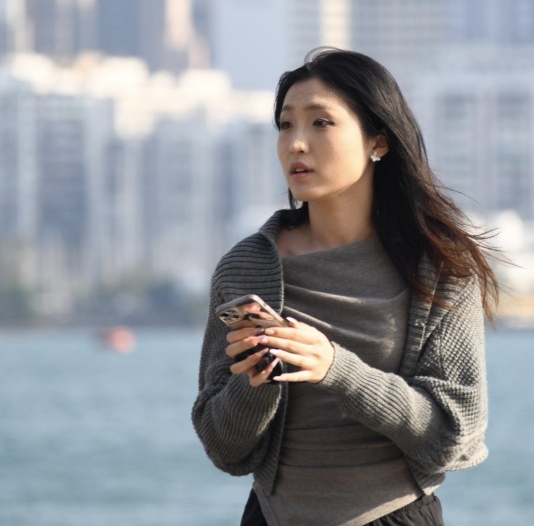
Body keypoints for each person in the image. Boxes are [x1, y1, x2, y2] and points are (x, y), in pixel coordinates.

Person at [192, 48, 500, 526]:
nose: (296, 143)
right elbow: (226, 450)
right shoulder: (245, 268)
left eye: (320, 123)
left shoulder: (439, 268)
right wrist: (254, 382)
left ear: (378, 140)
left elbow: (451, 437)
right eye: (286, 124)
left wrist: (336, 368)